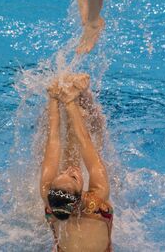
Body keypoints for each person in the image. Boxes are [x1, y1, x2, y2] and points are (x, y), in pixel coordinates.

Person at [40, 73, 113, 252]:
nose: (68, 170)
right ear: (83, 195)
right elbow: (86, 143)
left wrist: (53, 98)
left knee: (66, 154)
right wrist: (70, 102)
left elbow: (53, 141)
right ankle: (82, 98)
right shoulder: (98, 201)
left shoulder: (47, 195)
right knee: (93, 132)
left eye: (62, 174)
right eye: (72, 176)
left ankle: (77, 99)